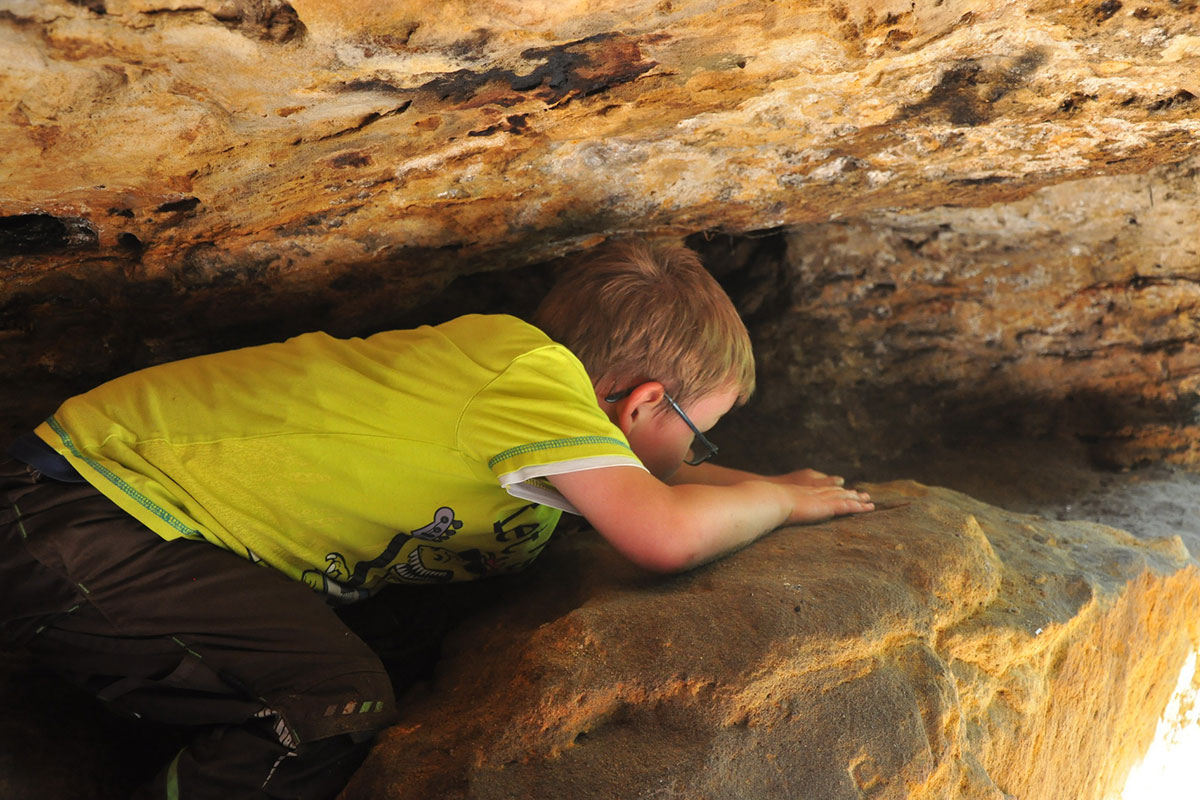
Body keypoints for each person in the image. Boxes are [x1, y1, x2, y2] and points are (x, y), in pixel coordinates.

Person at [0, 239, 873, 799]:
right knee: (328, 704)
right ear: (641, 403)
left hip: (125, 533)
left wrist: (750, 485)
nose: (695, 465)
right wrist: (780, 501)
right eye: (699, 439)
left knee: (412, 634)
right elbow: (665, 534)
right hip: (84, 509)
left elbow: (643, 500)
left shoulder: (522, 442)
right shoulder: (524, 371)